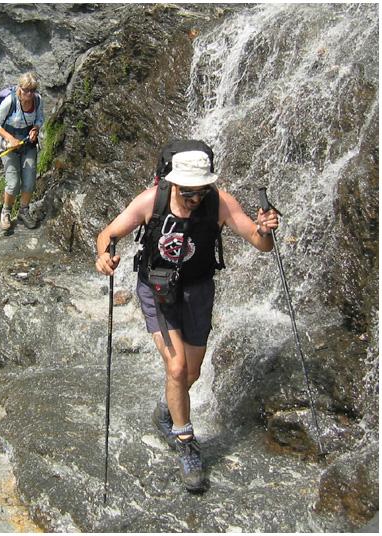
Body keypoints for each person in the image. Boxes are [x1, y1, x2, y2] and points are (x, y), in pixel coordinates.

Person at [95, 146, 279, 492]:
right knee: (177, 368)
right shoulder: (151, 201)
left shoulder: (220, 203)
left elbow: (261, 243)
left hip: (198, 290)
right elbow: (108, 235)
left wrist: (266, 229)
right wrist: (104, 256)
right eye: (188, 192)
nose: (196, 198)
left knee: (191, 373)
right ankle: (185, 442)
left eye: (202, 191)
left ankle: (167, 411)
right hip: (157, 290)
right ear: (174, 184)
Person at [0, 73, 45, 231]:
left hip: (28, 145)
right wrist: (10, 138)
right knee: (13, 183)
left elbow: (40, 118)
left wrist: (36, 129)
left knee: (29, 181)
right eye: (26, 90)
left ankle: (23, 211)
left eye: (32, 90)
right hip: (9, 147)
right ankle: (5, 213)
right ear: (20, 88)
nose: (29, 94)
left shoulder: (38, 100)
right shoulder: (10, 101)